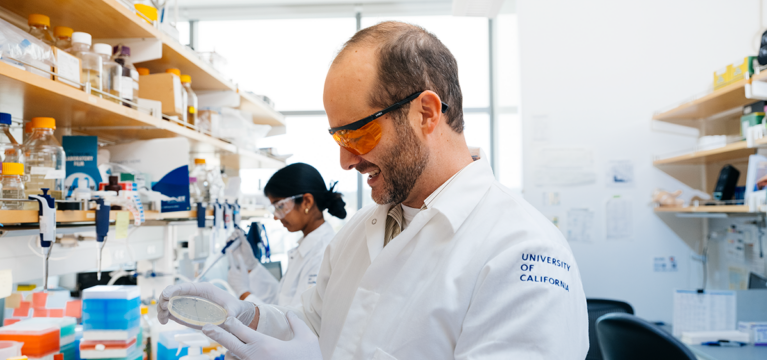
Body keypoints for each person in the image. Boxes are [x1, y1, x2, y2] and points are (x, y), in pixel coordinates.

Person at [159, 21, 589, 359]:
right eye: (337, 139)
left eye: (358, 135)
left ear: (426, 112)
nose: (345, 162)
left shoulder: (520, 252)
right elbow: (309, 326)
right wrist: (244, 315)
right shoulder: (358, 234)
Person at [226, 163, 346, 307]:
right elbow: (281, 301)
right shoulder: (305, 247)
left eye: (280, 206)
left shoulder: (322, 253)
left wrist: (243, 293)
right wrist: (251, 266)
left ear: (306, 202)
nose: (276, 217)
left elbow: (295, 321)